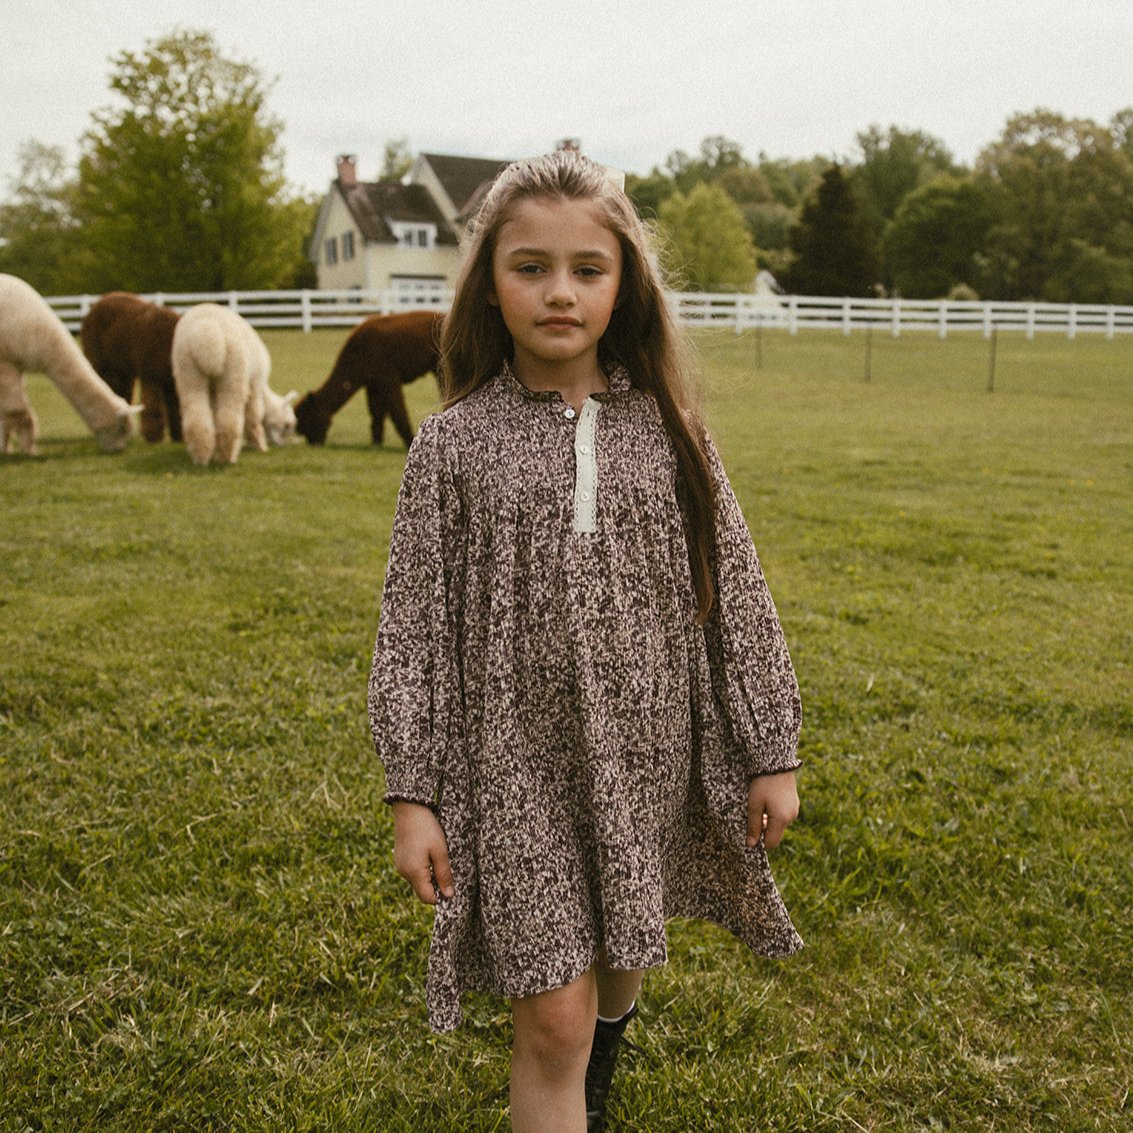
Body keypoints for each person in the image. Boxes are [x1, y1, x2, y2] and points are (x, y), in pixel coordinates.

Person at [368, 148, 802, 1133]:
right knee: (551, 1019)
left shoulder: (672, 430)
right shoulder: (451, 444)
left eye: (586, 269)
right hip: (511, 762)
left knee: (620, 948)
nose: (558, 291)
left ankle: (598, 1070)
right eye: (529, 266)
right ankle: (573, 1069)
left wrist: (768, 747)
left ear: (623, 284)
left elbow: (734, 592)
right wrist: (411, 788)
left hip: (647, 751)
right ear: (489, 281)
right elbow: (412, 625)